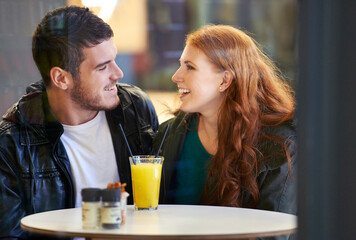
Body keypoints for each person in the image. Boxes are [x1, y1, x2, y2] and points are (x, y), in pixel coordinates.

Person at [0, 6, 158, 239]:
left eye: (113, 60)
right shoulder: (13, 143)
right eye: (103, 67)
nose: (118, 73)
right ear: (61, 78)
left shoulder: (135, 108)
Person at [154, 25, 296, 238]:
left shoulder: (281, 146)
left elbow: (274, 235)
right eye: (180, 65)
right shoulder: (169, 135)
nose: (176, 76)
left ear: (224, 80)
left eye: (189, 67)